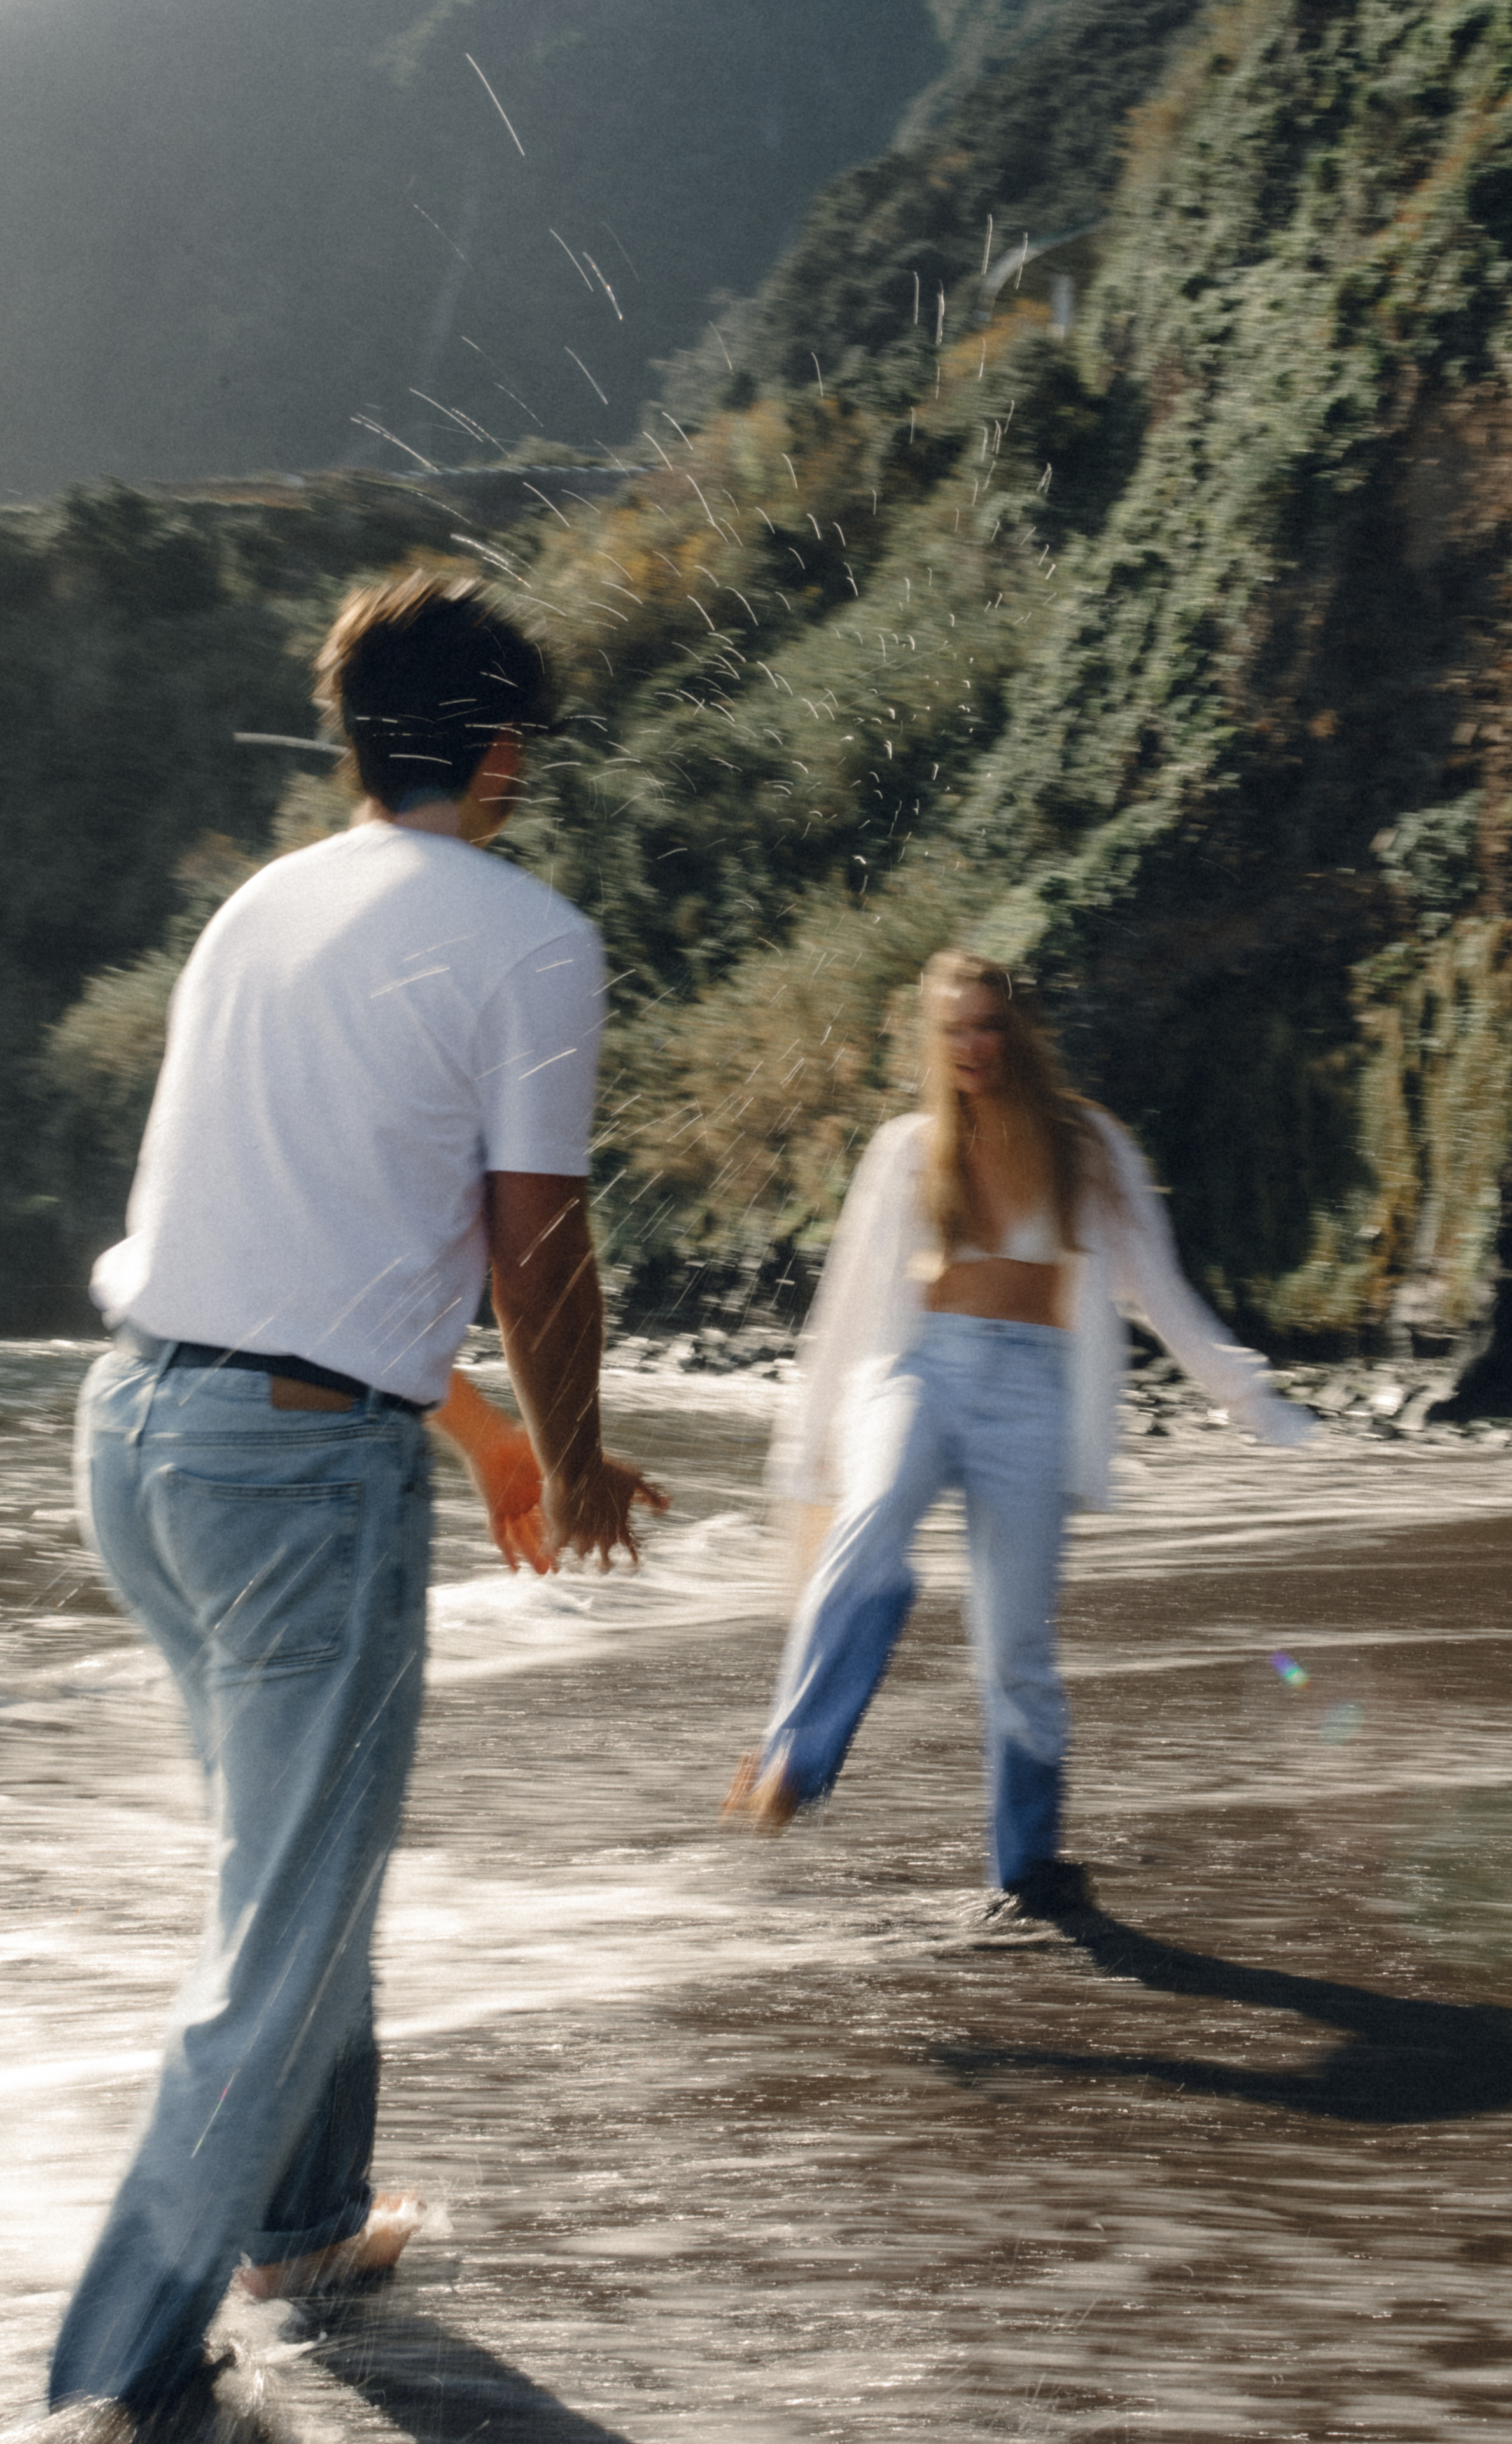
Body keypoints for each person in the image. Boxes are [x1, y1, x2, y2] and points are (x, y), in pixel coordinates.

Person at [50, 573, 664, 2422]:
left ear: (352, 737)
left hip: (140, 1441)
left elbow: (288, 1233)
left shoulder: (261, 908)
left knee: (301, 1872)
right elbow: (534, 1240)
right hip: (299, 1478)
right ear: (499, 755)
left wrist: (476, 1442)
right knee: (286, 1926)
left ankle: (306, 2220)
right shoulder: (527, 933)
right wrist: (570, 1459)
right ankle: (121, 2373)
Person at [723, 949, 1312, 1913]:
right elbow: (846, 1308)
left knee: (1015, 1647)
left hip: (1035, 1391)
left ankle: (1027, 1866)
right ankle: (793, 1761)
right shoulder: (909, 1149)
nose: (973, 1047)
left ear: (1023, 1031)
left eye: (989, 1024)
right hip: (920, 1369)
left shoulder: (1089, 1147)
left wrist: (1248, 1399)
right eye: (954, 1029)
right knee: (870, 1521)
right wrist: (804, 1449)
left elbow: (1157, 1287)